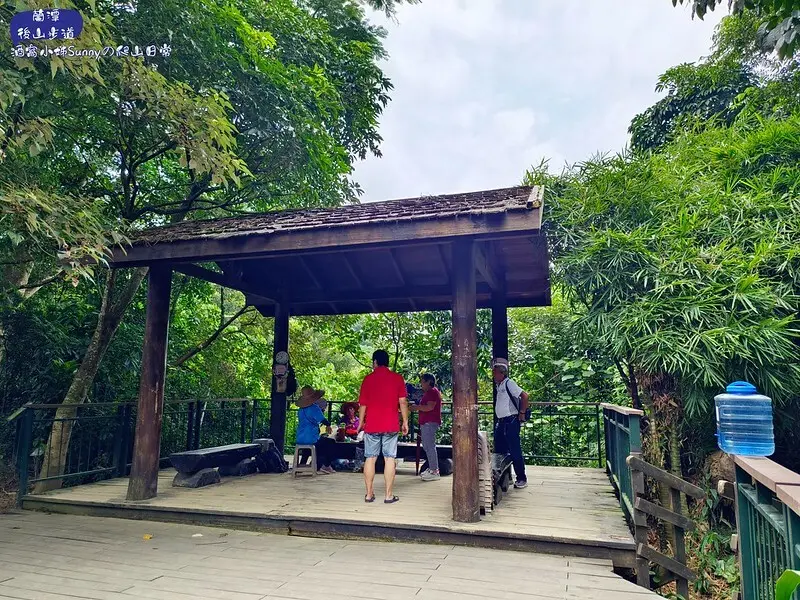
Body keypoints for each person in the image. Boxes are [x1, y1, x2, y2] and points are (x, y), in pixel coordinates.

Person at [357, 349, 409, 503]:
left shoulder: (368, 379)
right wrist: (405, 421)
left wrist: (360, 423)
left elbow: (363, 404)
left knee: (370, 458)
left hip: (372, 425)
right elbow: (403, 402)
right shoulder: (397, 378)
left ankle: (369, 494)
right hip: (391, 425)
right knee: (389, 458)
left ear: (375, 362)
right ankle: (388, 495)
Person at [492, 358, 530, 489]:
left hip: (511, 421)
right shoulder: (500, 385)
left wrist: (522, 413)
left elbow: (525, 396)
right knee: (500, 451)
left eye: (495, 373)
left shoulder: (509, 383)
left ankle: (521, 478)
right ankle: (505, 476)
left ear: (502, 373)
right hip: (502, 422)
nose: (493, 375)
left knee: (514, 450)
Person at [295, 386, 336, 474]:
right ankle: (324, 465)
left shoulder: (300, 410)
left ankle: (302, 464)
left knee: (311, 446)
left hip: (300, 437)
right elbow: (322, 419)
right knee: (329, 443)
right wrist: (328, 425)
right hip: (311, 437)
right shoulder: (314, 408)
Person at [409, 373, 442, 481]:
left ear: (428, 382)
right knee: (427, 446)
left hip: (429, 422)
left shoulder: (432, 392)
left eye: (422, 381)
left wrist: (416, 407)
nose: (421, 384)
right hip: (427, 422)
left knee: (429, 446)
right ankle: (432, 468)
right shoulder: (429, 392)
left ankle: (434, 470)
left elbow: (430, 407)